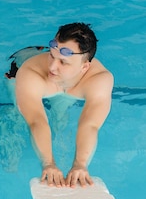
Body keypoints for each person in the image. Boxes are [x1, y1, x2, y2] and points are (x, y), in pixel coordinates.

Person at [11, 23, 113, 187]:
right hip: (18, 67)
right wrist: (48, 163)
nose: (52, 66)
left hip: (68, 84)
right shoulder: (30, 73)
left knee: (60, 117)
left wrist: (80, 164)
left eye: (63, 62)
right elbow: (37, 120)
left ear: (84, 67)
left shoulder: (99, 79)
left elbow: (90, 124)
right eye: (51, 55)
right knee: (12, 118)